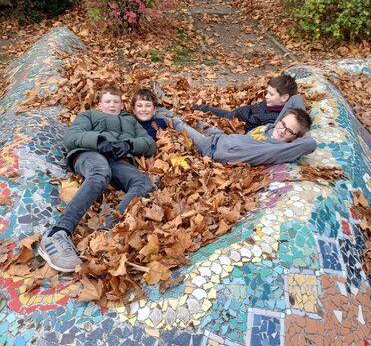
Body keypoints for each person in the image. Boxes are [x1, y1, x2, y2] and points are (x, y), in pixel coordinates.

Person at [38, 85, 157, 273]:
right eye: (108, 101)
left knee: (144, 183)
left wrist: (129, 144)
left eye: (116, 101)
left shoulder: (130, 122)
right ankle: (57, 233)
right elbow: (71, 137)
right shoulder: (89, 116)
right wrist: (99, 140)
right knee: (101, 173)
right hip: (91, 154)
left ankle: (109, 230)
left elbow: (150, 145)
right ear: (100, 104)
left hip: (118, 160)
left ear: (122, 105)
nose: (112, 105)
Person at [158, 96, 316, 166]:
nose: (281, 130)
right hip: (222, 136)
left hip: (212, 149)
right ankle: (163, 103)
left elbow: (310, 143)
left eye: (289, 131)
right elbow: (295, 98)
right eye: (282, 124)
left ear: (294, 139)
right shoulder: (275, 126)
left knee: (179, 124)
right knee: (194, 119)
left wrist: (299, 133)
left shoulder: (278, 148)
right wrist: (294, 122)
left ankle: (154, 110)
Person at [192, 74, 298, 131]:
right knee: (205, 109)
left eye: (271, 94)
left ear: (284, 98)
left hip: (233, 124)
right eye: (267, 92)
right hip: (234, 114)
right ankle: (191, 108)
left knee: (202, 123)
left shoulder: (273, 119)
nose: (266, 96)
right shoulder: (272, 104)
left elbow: (249, 131)